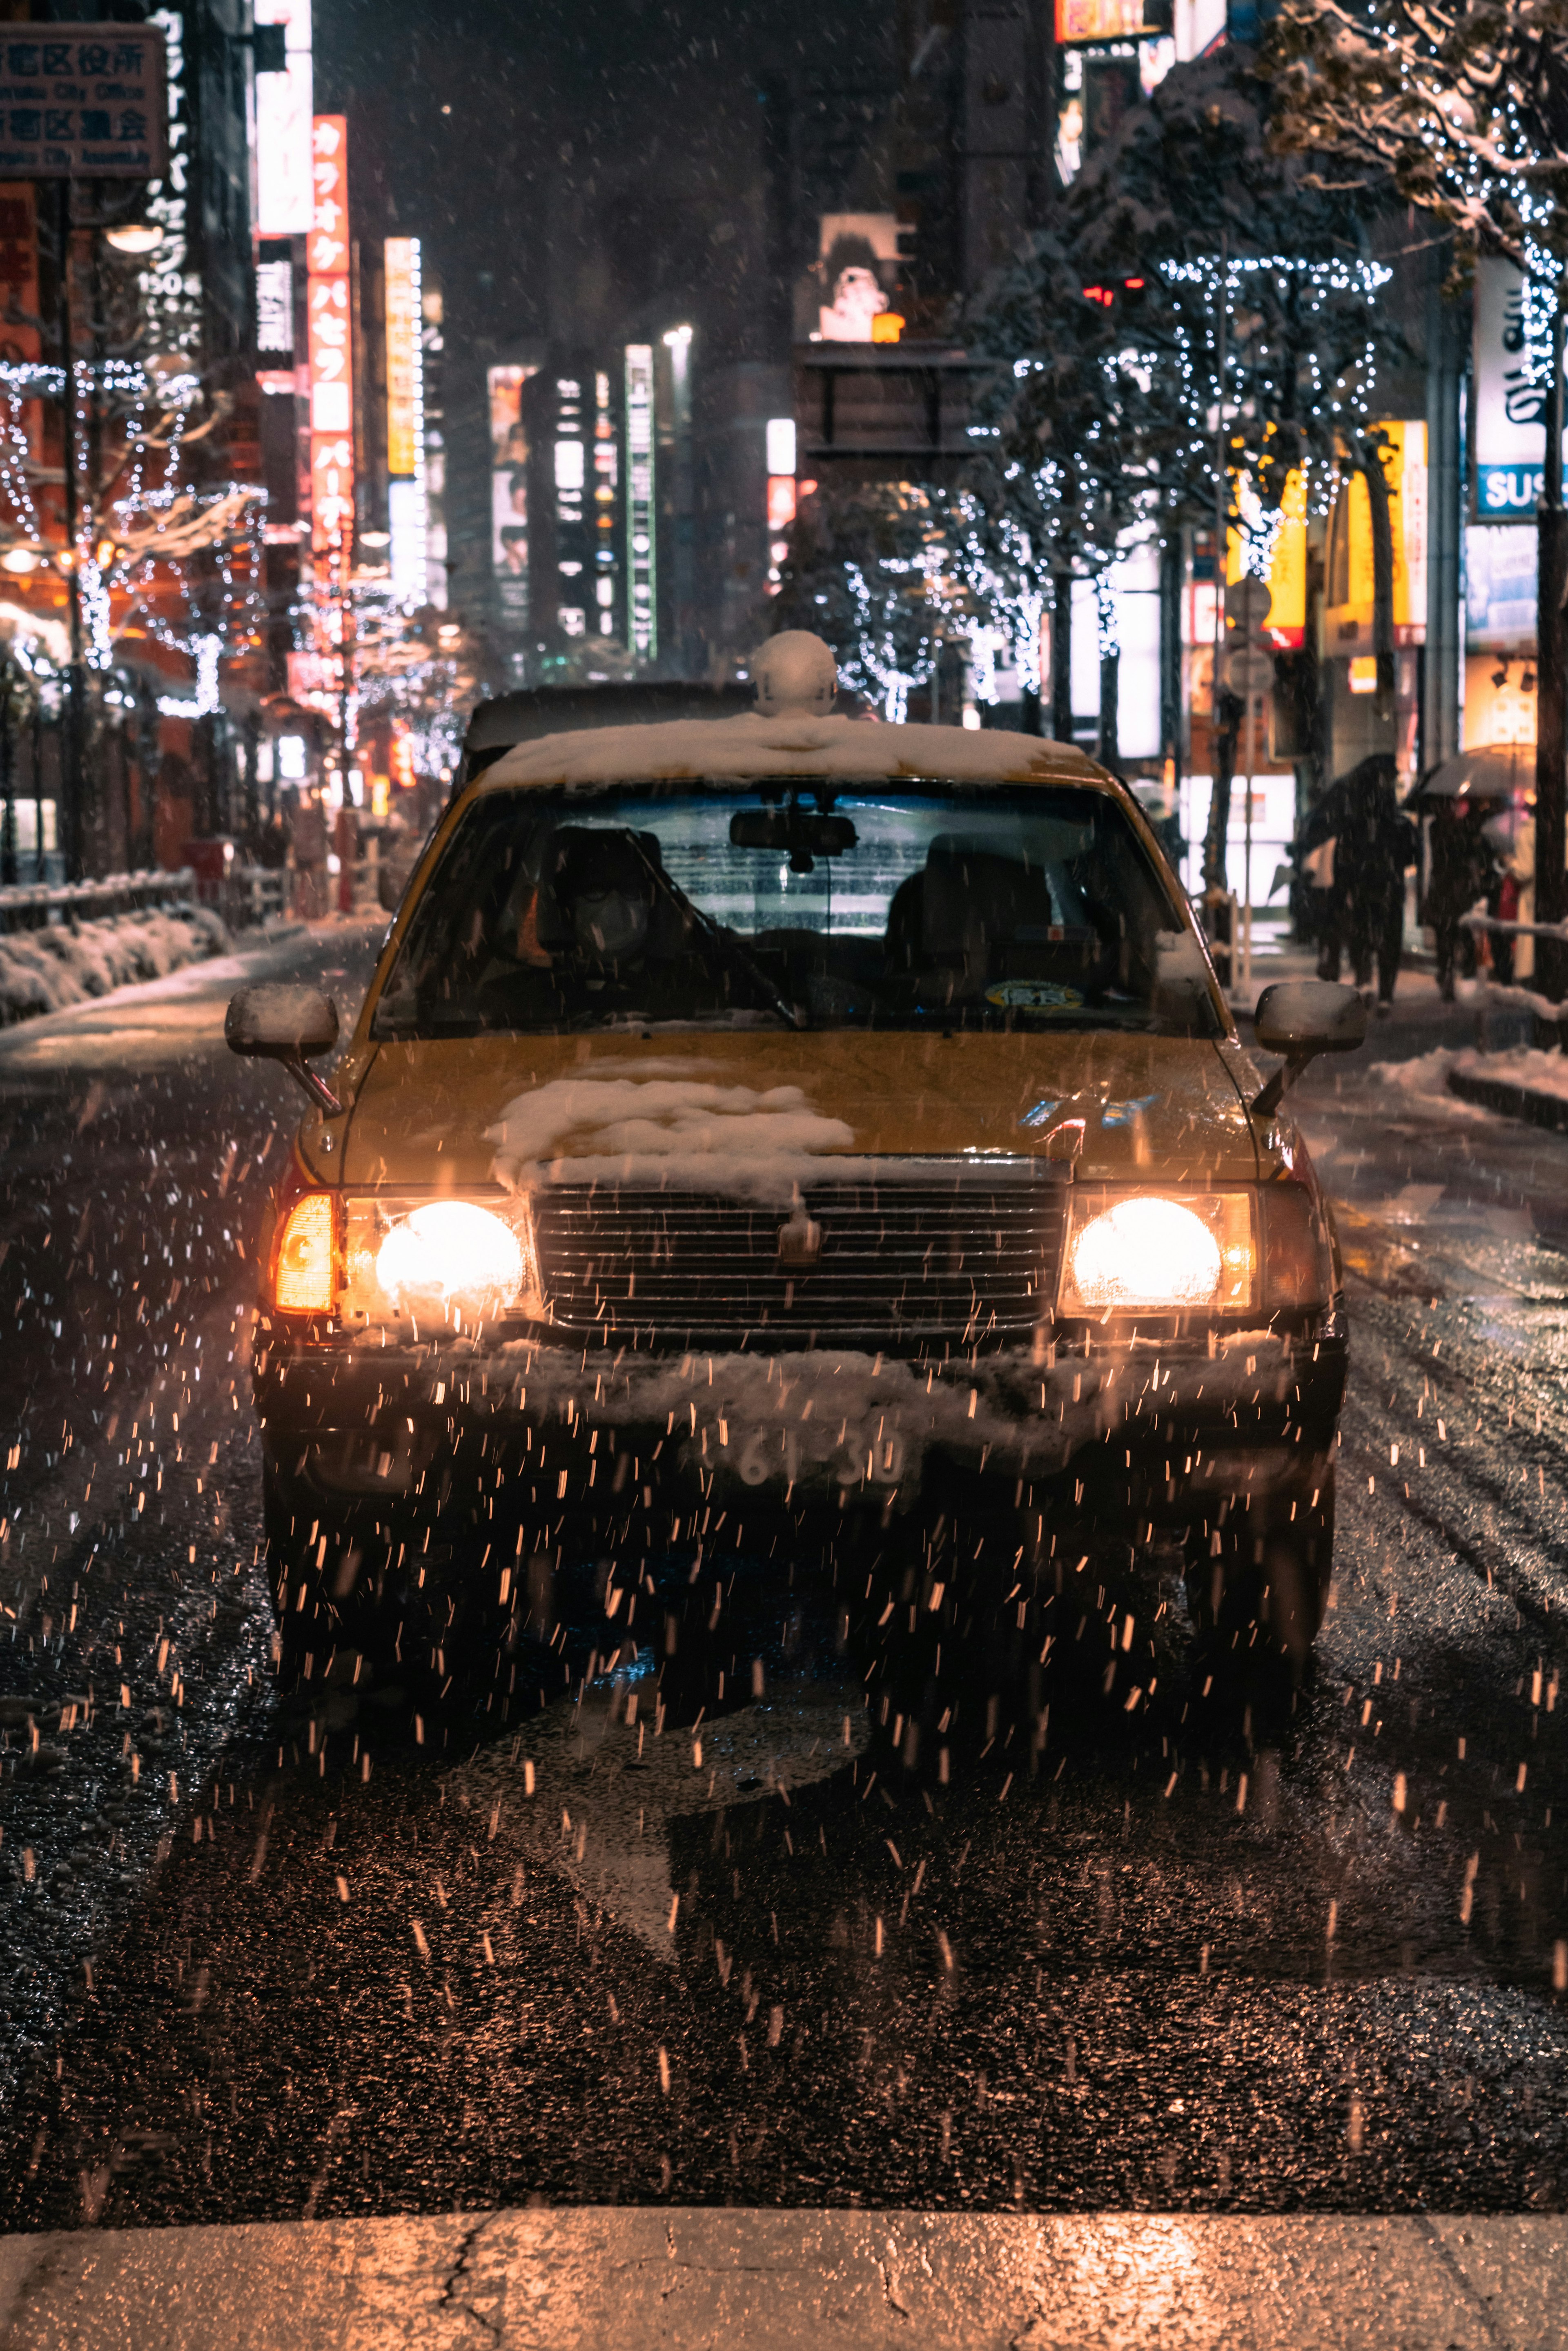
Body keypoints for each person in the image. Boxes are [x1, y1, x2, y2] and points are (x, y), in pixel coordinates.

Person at [1426, 797, 1497, 1001]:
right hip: (1452, 890)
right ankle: (1452, 975)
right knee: (1451, 935)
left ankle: (1453, 974)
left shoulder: (1454, 827)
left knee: (1457, 936)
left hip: (1454, 890)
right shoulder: (1444, 828)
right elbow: (1460, 853)